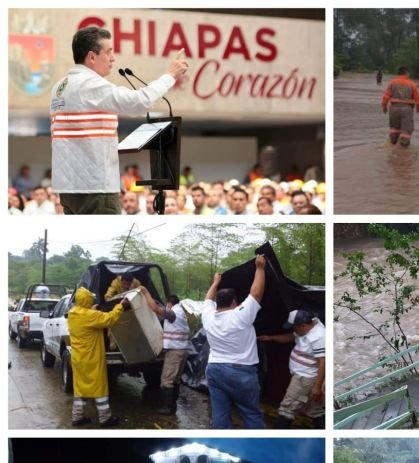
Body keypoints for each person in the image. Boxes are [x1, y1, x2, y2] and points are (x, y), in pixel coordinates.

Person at [50, 26, 189, 215]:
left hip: (68, 188)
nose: (113, 58)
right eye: (108, 52)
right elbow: (140, 102)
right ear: (91, 57)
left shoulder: (60, 86)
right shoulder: (89, 84)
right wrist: (170, 75)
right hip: (95, 188)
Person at [201, 255, 267, 429]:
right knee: (251, 413)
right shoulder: (240, 315)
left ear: (217, 304)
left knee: (220, 414)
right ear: (234, 302)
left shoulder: (208, 316)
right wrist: (260, 268)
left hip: (214, 370)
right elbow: (256, 293)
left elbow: (207, 299)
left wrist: (216, 282)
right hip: (240, 372)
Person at [68, 287, 130, 427]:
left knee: (80, 389)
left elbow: (87, 319)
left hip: (78, 358)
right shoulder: (90, 316)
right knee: (99, 388)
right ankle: (105, 418)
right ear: (87, 300)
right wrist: (120, 306)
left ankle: (77, 417)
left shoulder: (73, 313)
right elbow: (109, 319)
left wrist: (92, 310)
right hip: (92, 358)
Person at [259, 309, 325, 429]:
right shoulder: (309, 326)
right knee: (314, 410)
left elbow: (323, 362)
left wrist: (317, 387)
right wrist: (270, 338)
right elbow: (291, 337)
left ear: (302, 325)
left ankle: (277, 436)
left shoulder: (319, 337)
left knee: (287, 408)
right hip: (303, 376)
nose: (293, 330)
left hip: (304, 378)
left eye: (294, 327)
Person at [140, 288, 191, 414]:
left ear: (169, 304)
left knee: (167, 380)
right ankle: (172, 406)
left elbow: (155, 309)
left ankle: (167, 408)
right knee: (175, 380)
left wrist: (146, 292)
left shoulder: (174, 313)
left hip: (174, 352)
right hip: (182, 350)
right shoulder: (181, 312)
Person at [381, 66, 419, 147]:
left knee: (394, 129)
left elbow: (386, 96)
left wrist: (384, 106)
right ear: (406, 73)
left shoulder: (392, 83)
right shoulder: (412, 84)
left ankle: (392, 145)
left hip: (394, 108)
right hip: (407, 109)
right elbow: (418, 98)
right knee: (406, 131)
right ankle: (403, 150)